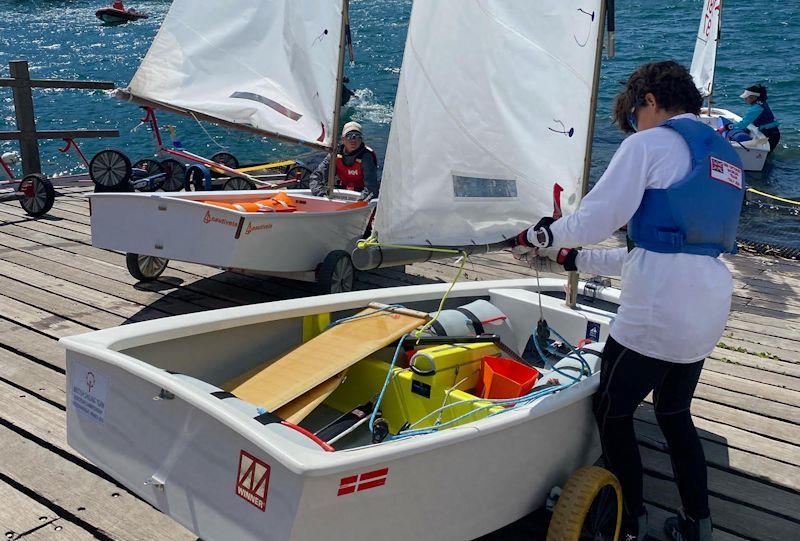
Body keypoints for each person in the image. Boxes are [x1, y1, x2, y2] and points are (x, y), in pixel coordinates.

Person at [513, 60, 744, 541]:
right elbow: (662, 251)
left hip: (656, 312)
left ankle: (629, 517)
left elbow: (595, 218)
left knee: (612, 411)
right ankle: (698, 524)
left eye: (635, 115)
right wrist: (574, 260)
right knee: (674, 413)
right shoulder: (726, 158)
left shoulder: (649, 143)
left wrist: (541, 235)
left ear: (651, 101)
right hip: (708, 303)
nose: (634, 126)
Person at [309, 121, 379, 200]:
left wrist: (359, 201)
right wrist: (321, 194)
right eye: (349, 136)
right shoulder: (335, 154)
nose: (353, 140)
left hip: (360, 194)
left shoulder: (366, 157)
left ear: (361, 139)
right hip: (342, 190)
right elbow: (316, 176)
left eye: (357, 136)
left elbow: (371, 188)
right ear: (343, 139)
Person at [727, 84, 781, 151]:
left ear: (754, 97)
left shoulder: (756, 108)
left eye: (746, 97)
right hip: (772, 133)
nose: (745, 99)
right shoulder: (762, 103)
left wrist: (728, 127)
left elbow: (743, 124)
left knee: (763, 157)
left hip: (770, 136)